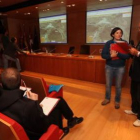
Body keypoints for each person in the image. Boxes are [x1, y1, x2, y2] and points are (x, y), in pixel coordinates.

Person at [0, 68, 83, 140]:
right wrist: (35, 102)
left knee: (58, 101)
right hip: (35, 134)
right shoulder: (29, 105)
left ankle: (71, 120)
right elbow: (44, 124)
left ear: (1, 84)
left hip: (23, 125)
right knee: (58, 103)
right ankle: (59, 133)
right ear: (21, 83)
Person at [101, 27, 130, 109]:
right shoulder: (108, 43)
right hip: (109, 67)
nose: (119, 34)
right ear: (113, 34)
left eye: (120, 33)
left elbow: (127, 56)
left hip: (120, 67)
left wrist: (117, 54)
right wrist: (111, 56)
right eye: (117, 33)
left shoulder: (125, 43)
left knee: (118, 86)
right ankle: (107, 98)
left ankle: (117, 101)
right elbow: (103, 55)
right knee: (108, 85)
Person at [124, 22, 140, 126]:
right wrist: (132, 53)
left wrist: (137, 53)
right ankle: (135, 110)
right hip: (136, 72)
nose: (139, 29)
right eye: (139, 27)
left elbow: (139, 54)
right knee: (134, 93)